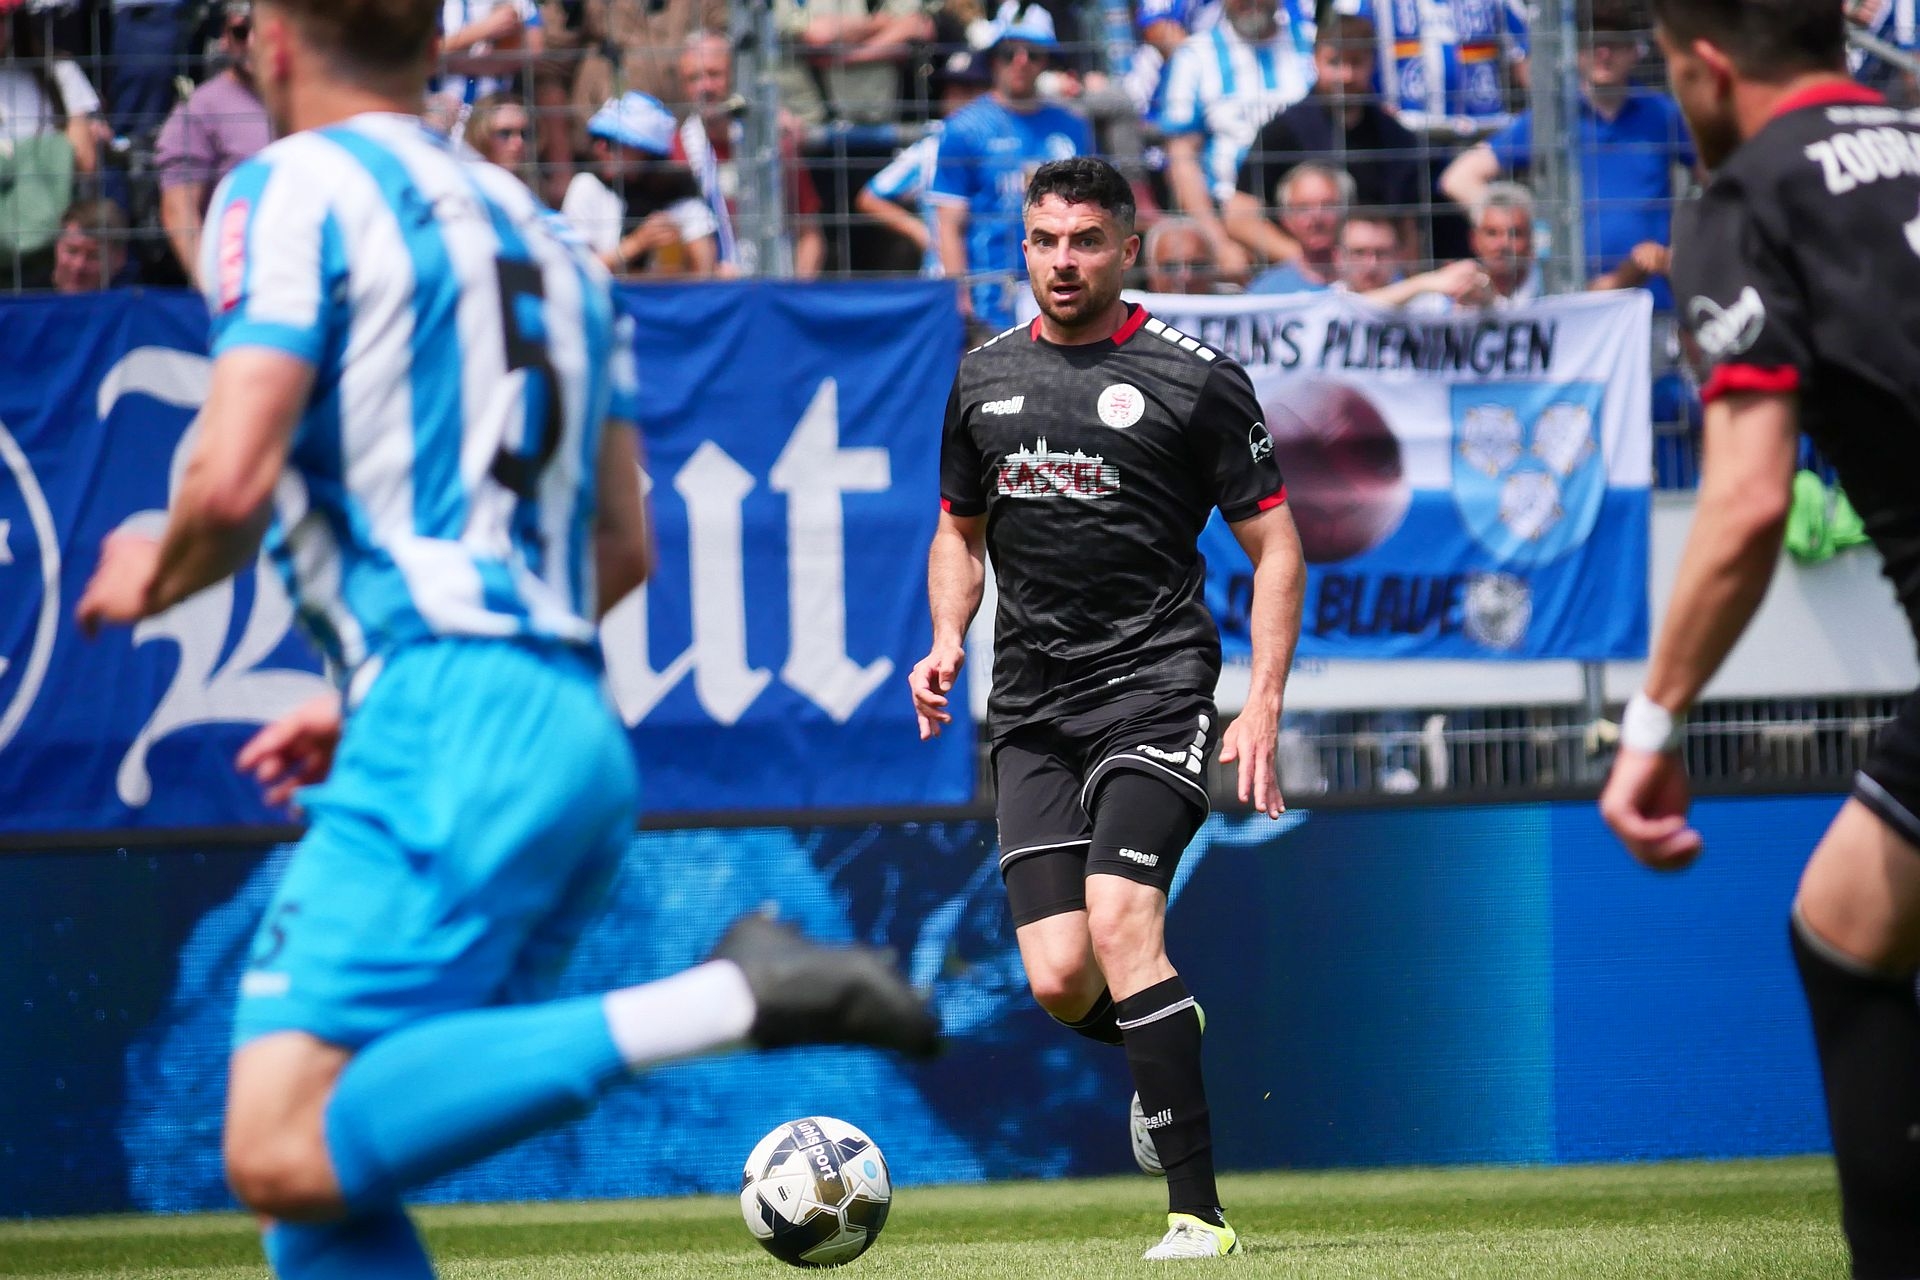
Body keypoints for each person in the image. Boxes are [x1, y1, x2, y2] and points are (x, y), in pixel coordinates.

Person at [73, 4, 939, 1277]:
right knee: (324, 1182)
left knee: (278, 1139)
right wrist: (376, 696)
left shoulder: (291, 184)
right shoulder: (547, 234)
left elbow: (235, 475)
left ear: (269, 41)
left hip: (450, 713)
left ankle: (729, 994)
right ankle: (722, 996)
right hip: (566, 728)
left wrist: (152, 567)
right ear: (434, 43)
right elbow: (623, 551)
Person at [911, 155, 1305, 1261]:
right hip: (1032, 711)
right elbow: (958, 532)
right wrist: (946, 635)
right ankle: (1159, 1027)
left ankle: (1197, 1216)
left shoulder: (1194, 379)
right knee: (1057, 976)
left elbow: (1278, 547)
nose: (1064, 260)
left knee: (1126, 921)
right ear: (1023, 248)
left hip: (1156, 690)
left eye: (1087, 240)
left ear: (1130, 248)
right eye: (1045, 240)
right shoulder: (982, 378)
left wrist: (1262, 701)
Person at [1598, 2, 1920, 1274]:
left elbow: (1742, 502)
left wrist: (1653, 723)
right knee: (1848, 918)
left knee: (1844, 938)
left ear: (1707, 65)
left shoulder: (1747, 198)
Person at [1440, 0, 1695, 307]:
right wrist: (1519, 228)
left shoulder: (1663, 115)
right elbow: (1459, 178)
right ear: (1576, 53)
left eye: (1615, 44)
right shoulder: (1553, 118)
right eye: (1592, 44)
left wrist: (1686, 249)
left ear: (1635, 51)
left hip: (1652, 301)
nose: (1604, 53)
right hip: (1570, 298)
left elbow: (1715, 178)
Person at [928, 7, 1092, 339]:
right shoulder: (963, 128)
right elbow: (948, 223)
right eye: (1009, 53)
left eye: (1032, 54)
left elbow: (1093, 212)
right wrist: (959, 296)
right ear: (993, 59)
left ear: (1045, 61)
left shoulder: (1073, 127)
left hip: (1063, 292)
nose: (1020, 61)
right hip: (989, 300)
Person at [1226, 10, 1424, 269]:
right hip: (1299, 280)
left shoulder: (1395, 137)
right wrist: (1308, 265)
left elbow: (1408, 230)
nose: (1346, 75)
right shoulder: (1283, 131)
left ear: (1372, 63)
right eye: (1334, 62)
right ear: (1315, 61)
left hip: (1374, 275)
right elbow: (1240, 218)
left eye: (1356, 62)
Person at [1158, 0, 1316, 283]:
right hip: (1233, 229)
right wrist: (1218, 244)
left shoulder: (1311, 43)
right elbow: (1182, 161)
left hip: (1314, 221)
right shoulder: (1195, 55)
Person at [671, 29, 825, 279]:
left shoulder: (773, 145)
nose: (704, 87)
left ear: (736, 77)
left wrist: (795, 292)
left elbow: (809, 235)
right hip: (710, 290)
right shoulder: (677, 151)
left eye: (714, 74)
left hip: (776, 283)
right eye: (693, 78)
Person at [155, 2, 272, 286]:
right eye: (241, 32)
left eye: (262, 30)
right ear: (224, 38)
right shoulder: (200, 109)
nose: (252, 42)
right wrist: (212, 288)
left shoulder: (309, 98)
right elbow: (178, 210)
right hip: (244, 278)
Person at [856, 50, 992, 276]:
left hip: (999, 271)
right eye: (951, 90)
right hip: (944, 274)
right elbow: (870, 197)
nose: (957, 99)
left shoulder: (1006, 144)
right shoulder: (931, 147)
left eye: (969, 90)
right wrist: (922, 233)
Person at [561, 91, 719, 277]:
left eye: (612, 143)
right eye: (596, 139)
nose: (599, 148)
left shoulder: (678, 192)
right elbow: (576, 272)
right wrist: (637, 243)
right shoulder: (586, 186)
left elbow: (705, 272)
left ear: (646, 152)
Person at [1245, 161, 1349, 293]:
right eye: (1303, 208)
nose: (1316, 217)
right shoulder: (1267, 289)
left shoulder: (1368, 276)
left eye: (1327, 205)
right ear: (1286, 219)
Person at [462, 93, 539, 193]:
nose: (519, 142)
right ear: (479, 134)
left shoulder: (535, 187)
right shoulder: (464, 187)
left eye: (525, 133)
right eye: (505, 133)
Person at [50, 198, 129, 293]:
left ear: (119, 259)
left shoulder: (136, 298)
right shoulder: (33, 293)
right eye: (72, 251)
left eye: (93, 256)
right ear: (56, 247)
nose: (79, 265)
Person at [1142, 214, 1221, 293]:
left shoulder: (1227, 299)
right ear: (1150, 272)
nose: (1186, 277)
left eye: (1197, 266)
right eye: (1171, 267)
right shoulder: (1137, 299)